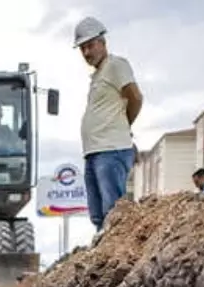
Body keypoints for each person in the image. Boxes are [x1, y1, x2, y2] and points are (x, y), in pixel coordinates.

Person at [73, 16, 142, 234]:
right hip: (94, 151)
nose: (86, 52)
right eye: (82, 48)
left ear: (103, 42)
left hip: (111, 150)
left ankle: (117, 255)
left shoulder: (116, 65)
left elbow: (135, 97)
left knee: (112, 212)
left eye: (90, 45)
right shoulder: (97, 75)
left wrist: (124, 125)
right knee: (97, 215)